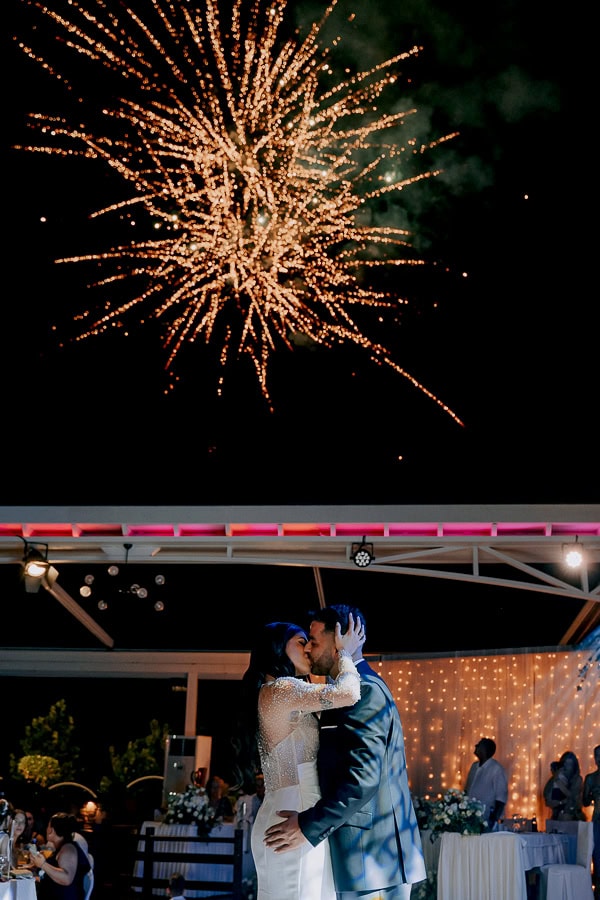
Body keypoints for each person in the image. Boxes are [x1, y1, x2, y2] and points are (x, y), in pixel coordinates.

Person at [263, 604, 426, 900]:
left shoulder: (366, 690)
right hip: (356, 858)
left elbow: (363, 778)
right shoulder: (340, 691)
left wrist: (308, 826)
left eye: (314, 641)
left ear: (340, 639)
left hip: (373, 860)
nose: (308, 649)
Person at [233, 615, 363, 900]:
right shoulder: (281, 690)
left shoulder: (280, 692)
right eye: (301, 642)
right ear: (277, 648)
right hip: (292, 814)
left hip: (292, 810)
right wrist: (345, 654)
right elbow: (349, 693)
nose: (307, 649)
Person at [28, 811, 92, 899]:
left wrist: (43, 864)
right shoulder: (62, 847)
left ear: (51, 830)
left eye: (48, 826)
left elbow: (66, 878)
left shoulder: (68, 849)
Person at [464, 737, 509, 830]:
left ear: (485, 749)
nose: (476, 746)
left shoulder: (496, 769)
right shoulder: (474, 766)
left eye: (479, 745)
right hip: (469, 817)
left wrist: (493, 820)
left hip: (485, 820)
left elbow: (501, 798)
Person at [543, 750, 584, 820]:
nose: (566, 767)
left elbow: (573, 797)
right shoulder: (555, 778)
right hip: (557, 816)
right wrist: (555, 778)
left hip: (572, 817)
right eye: (565, 764)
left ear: (574, 766)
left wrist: (560, 784)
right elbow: (547, 799)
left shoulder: (577, 779)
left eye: (569, 764)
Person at [583, 743, 600, 897]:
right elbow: (585, 802)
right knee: (598, 856)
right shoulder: (591, 778)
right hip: (598, 820)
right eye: (597, 756)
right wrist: (591, 793)